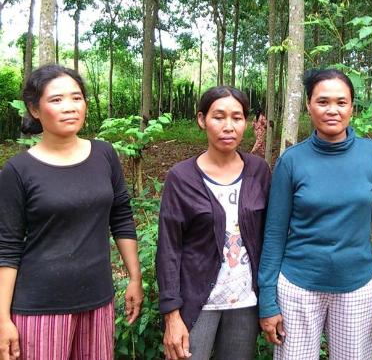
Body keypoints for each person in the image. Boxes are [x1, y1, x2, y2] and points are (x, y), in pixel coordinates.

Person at [0, 64, 142, 360]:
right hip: (40, 307)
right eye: (56, 99)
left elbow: (121, 218)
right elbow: (7, 247)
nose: (69, 107)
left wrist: (134, 277)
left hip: (98, 300)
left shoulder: (104, 154)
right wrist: (2, 320)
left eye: (76, 98)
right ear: (35, 109)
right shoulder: (18, 170)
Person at [258, 69, 372, 360]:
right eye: (322, 101)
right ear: (308, 105)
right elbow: (274, 234)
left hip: (357, 287)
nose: (332, 110)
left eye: (341, 102)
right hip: (298, 287)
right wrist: (268, 300)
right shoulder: (291, 161)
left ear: (352, 107)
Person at [156, 86, 271, 360]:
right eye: (218, 117)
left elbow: (269, 236)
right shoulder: (181, 177)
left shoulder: (259, 171)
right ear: (201, 119)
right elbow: (169, 249)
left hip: (245, 302)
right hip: (196, 303)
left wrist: (269, 299)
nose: (228, 126)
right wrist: (172, 314)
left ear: (246, 122)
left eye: (237, 117)